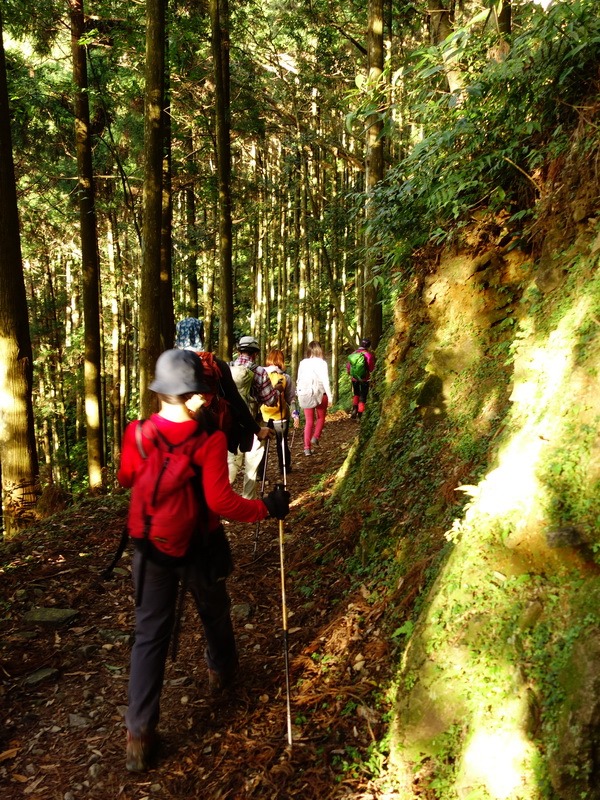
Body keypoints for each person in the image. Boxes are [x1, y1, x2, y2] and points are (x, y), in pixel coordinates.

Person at [117, 349, 290, 773]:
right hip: (198, 544)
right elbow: (223, 502)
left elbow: (126, 478)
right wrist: (267, 507)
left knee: (149, 636)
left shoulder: (136, 433)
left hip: (148, 547)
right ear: (195, 396)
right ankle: (222, 669)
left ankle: (138, 733)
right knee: (213, 610)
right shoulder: (208, 440)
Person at [174, 318, 271, 457]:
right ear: (201, 335)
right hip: (211, 431)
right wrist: (256, 429)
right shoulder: (216, 364)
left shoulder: (170, 365)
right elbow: (234, 399)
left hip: (177, 432)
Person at [227, 336, 281, 498]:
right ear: (256, 353)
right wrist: (276, 390)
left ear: (238, 351)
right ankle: (249, 499)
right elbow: (270, 401)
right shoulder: (258, 371)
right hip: (253, 424)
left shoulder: (227, 368)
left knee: (231, 462)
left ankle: (222, 498)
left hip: (230, 423)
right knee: (252, 464)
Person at [259, 349, 298, 478]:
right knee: (282, 442)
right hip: (281, 415)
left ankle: (260, 472)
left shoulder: (261, 376)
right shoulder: (285, 377)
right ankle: (284, 467)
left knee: (263, 445)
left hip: (264, 415)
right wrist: (295, 413)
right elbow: (291, 398)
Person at [296, 340, 331, 456]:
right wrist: (330, 397)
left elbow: (299, 379)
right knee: (321, 418)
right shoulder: (322, 363)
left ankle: (306, 448)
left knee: (309, 421)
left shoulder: (303, 363)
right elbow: (325, 381)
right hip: (321, 394)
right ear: (319, 350)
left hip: (306, 394)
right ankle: (315, 437)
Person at [347, 338, 376, 420]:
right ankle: (359, 415)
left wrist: (350, 374)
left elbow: (348, 367)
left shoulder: (354, 353)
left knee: (356, 394)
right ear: (368, 346)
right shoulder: (368, 355)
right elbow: (371, 368)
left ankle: (354, 410)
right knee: (363, 396)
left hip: (354, 378)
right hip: (364, 379)